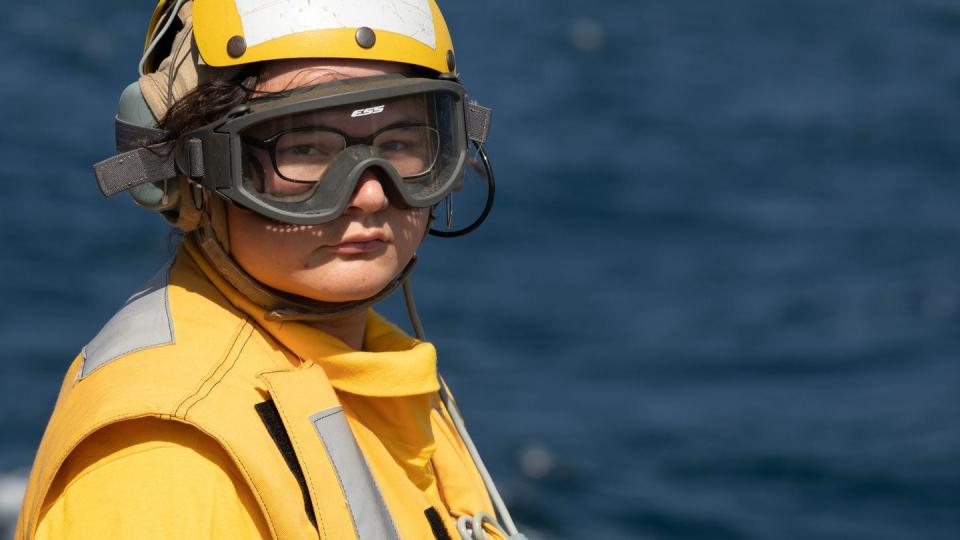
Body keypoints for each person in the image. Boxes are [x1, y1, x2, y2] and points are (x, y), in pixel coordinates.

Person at [15, 1, 522, 539]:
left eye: (398, 144)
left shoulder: (378, 373)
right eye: (304, 150)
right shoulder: (167, 458)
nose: (371, 193)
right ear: (189, 172)